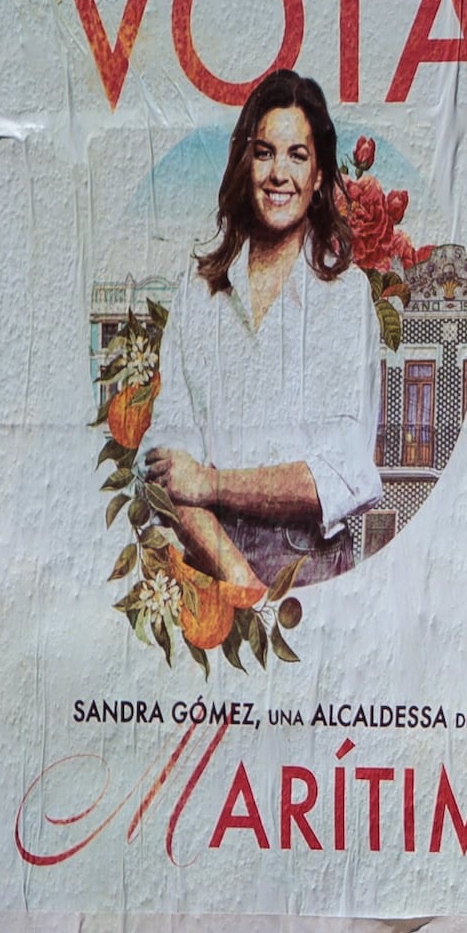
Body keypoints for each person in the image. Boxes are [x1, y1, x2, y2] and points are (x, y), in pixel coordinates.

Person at [143, 67, 387, 611]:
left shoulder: (344, 297)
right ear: (244, 163)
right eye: (264, 152)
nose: (280, 174)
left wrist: (212, 483)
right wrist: (237, 576)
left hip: (316, 568)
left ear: (320, 174)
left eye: (298, 155)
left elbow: (342, 471)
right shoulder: (198, 291)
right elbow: (163, 462)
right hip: (212, 559)